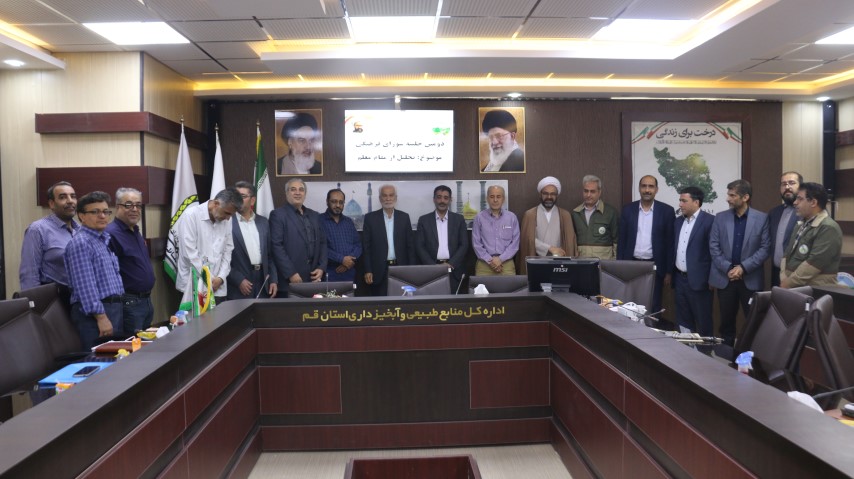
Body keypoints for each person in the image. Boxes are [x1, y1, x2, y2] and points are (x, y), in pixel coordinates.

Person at [709, 180, 770, 347]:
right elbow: (713, 246)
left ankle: (750, 359)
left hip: (750, 279)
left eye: (732, 195)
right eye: (728, 194)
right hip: (726, 278)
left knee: (753, 322)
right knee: (726, 323)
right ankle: (725, 356)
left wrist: (743, 268)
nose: (728, 199)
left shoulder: (762, 218)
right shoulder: (720, 217)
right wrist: (729, 268)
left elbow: (765, 248)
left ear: (745, 197)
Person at [63, 191, 124, 349]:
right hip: (94, 315)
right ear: (81, 216)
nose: (102, 216)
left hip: (112, 309)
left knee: (115, 359)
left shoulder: (101, 239)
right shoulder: (81, 243)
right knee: (99, 359)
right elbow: (85, 286)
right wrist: (101, 317)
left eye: (105, 211)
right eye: (95, 212)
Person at [616, 175, 675, 315]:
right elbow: (622, 240)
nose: (647, 190)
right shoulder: (628, 210)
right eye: (644, 186)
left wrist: (668, 271)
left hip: (655, 266)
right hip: (631, 264)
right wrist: (620, 266)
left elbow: (670, 243)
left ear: (656, 189)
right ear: (639, 188)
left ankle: (651, 328)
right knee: (630, 303)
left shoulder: (667, 211)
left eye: (651, 186)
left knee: (653, 305)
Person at [175, 188, 241, 304]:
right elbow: (189, 254)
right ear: (216, 204)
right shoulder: (191, 215)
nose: (228, 218)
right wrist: (208, 279)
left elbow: (228, 251)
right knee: (195, 317)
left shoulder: (227, 220)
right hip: (193, 286)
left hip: (217, 287)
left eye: (231, 215)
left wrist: (221, 277)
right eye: (227, 213)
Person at [20, 181, 80, 304]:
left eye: (73, 196)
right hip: (54, 302)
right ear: (52, 204)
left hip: (81, 300)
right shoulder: (38, 229)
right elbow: (29, 273)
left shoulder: (81, 230)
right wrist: (34, 306)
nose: (70, 201)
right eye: (63, 197)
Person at [106, 187, 156, 332]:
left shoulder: (135, 231)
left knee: (146, 343)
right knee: (133, 344)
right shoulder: (111, 234)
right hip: (129, 302)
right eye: (128, 205)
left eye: (138, 205)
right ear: (117, 207)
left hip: (145, 301)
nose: (134, 209)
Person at [269, 178, 327, 296]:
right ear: (287, 193)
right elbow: (276, 246)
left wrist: (321, 267)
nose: (297, 193)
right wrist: (291, 273)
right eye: (293, 189)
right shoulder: (278, 215)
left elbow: (323, 243)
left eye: (301, 189)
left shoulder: (314, 215)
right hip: (290, 281)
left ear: (305, 194)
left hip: (314, 280)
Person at [781, 182, 842, 288]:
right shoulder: (801, 224)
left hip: (815, 289)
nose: (795, 202)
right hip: (793, 286)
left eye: (800, 199)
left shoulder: (828, 227)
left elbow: (814, 263)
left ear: (813, 202)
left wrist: (788, 283)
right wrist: (783, 276)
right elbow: (787, 253)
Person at [672, 186, 714, 336]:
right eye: (680, 200)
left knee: (703, 322)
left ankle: (704, 350)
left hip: (700, 282)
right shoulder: (678, 222)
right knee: (683, 322)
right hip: (680, 279)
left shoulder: (710, 221)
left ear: (696, 202)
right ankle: (685, 350)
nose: (680, 204)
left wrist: (712, 279)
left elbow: (714, 253)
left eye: (684, 201)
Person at [227, 181, 278, 300]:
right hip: (239, 284)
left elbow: (270, 255)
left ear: (252, 200)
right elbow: (221, 258)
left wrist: (273, 280)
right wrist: (238, 279)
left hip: (263, 282)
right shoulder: (227, 221)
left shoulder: (263, 222)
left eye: (243, 196)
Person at [362, 184, 415, 295]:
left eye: (391, 195)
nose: (388, 198)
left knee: (401, 302)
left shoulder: (404, 217)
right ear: (379, 198)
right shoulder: (370, 218)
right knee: (380, 303)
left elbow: (410, 246)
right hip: (378, 271)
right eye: (384, 195)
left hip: (400, 269)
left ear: (396, 198)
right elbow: (366, 247)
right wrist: (368, 270)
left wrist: (411, 270)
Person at [415, 185, 469, 294]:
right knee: (432, 302)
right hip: (431, 271)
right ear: (434, 199)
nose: (442, 201)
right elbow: (420, 246)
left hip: (454, 270)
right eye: (439, 197)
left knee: (453, 302)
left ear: (450, 200)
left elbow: (464, 244)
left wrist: (451, 264)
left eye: (445, 198)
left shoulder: (459, 219)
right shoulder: (424, 220)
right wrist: (434, 267)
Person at [518, 177, 577, 274]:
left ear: (557, 195)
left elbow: (570, 243)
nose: (549, 197)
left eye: (553, 194)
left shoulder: (565, 215)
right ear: (540, 194)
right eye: (545, 193)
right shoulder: (530, 214)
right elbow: (527, 240)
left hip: (559, 265)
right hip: (536, 264)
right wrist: (549, 248)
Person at [472, 185, 520, 276]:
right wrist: (490, 260)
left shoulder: (512, 217)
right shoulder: (479, 217)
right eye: (492, 196)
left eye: (498, 196)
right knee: (482, 286)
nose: (495, 200)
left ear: (503, 199)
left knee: (509, 286)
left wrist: (500, 259)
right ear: (487, 199)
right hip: (484, 264)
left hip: (506, 264)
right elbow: (476, 244)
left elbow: (515, 244)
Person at [768, 171, 802, 287]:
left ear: (801, 187)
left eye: (791, 183)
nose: (787, 187)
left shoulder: (807, 212)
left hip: (798, 276)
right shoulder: (774, 213)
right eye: (783, 184)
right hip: (776, 272)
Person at [572, 175, 618, 260]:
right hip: (582, 263)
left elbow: (616, 241)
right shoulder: (576, 213)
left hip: (604, 263)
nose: (588, 195)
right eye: (586, 191)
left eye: (592, 191)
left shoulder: (610, 212)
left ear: (599, 192)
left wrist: (614, 263)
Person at [320, 188, 362, 283]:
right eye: (334, 202)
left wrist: (348, 261)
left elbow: (358, 245)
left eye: (341, 202)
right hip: (329, 272)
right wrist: (341, 259)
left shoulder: (348, 222)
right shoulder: (319, 221)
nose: (338, 205)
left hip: (349, 271)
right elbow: (319, 247)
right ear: (327, 202)